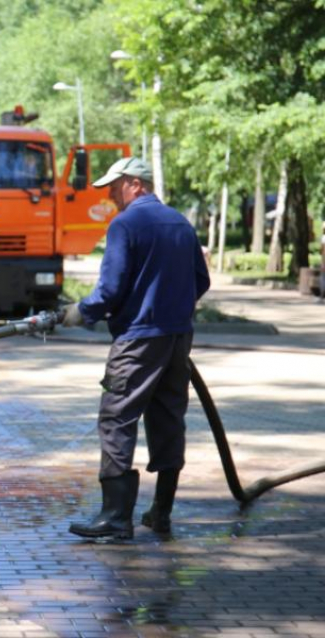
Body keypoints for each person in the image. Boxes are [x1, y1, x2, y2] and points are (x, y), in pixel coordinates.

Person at [62, 156, 211, 540]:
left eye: (115, 186)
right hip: (178, 340)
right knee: (168, 418)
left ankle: (115, 517)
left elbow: (110, 291)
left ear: (136, 184)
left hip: (137, 341)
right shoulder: (180, 222)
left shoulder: (125, 224)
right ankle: (161, 512)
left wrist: (81, 311)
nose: (110, 194)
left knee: (116, 419)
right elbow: (201, 279)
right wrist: (173, 311)